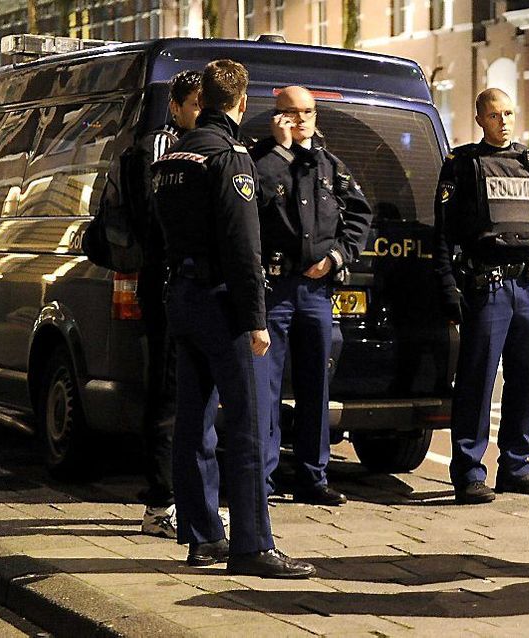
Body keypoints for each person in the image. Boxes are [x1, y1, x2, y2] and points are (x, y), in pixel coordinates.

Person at [152, 59, 314, 578]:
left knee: (193, 424)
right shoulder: (229, 157)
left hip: (182, 296)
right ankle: (252, 545)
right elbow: (244, 248)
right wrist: (256, 319)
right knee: (248, 426)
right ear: (242, 103)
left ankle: (202, 538)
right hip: (223, 304)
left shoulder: (171, 158)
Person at [432, 88, 529, 504]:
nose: (504, 121)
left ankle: (516, 465)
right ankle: (469, 471)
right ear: (480, 120)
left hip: (527, 286)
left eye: (509, 113)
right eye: (495, 115)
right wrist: (446, 286)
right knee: (476, 381)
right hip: (486, 287)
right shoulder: (462, 166)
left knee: (525, 380)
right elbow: (444, 232)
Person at [252, 85, 373, 505]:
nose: (300, 120)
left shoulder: (329, 165)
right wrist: (282, 151)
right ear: (276, 116)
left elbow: (360, 216)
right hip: (275, 289)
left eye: (307, 112)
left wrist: (337, 257)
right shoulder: (260, 161)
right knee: (265, 389)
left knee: (315, 387)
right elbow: (255, 203)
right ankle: (262, 481)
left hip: (317, 291)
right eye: (291, 113)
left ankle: (312, 477)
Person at [130, 70, 201, 539]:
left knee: (190, 395)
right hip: (166, 284)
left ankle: (185, 498)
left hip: (186, 284)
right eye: (195, 103)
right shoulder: (161, 148)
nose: (202, 111)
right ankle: (160, 503)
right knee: (169, 394)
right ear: (174, 107)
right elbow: (158, 219)